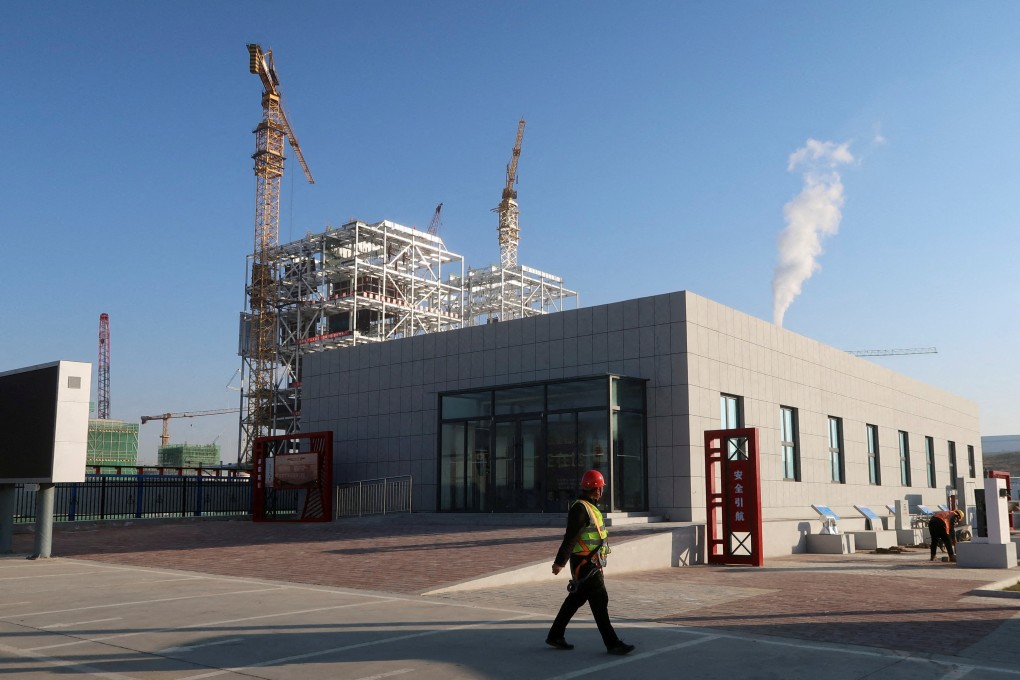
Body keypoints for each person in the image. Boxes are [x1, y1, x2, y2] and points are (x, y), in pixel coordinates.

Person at [546, 469, 635, 656]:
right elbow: (570, 537)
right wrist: (559, 562)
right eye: (600, 488)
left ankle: (555, 635)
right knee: (600, 601)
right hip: (585, 564)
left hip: (590, 562)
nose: (602, 491)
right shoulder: (580, 509)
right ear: (595, 489)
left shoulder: (589, 507)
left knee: (575, 600)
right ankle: (613, 644)